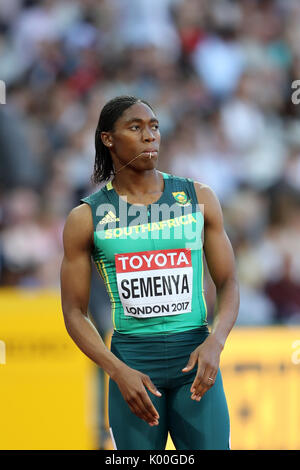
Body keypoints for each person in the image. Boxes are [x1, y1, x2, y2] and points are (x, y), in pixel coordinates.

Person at [60, 95, 240, 450]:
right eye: (136, 127)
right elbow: (73, 313)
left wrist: (215, 342)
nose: (150, 136)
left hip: (194, 358)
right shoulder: (86, 217)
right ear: (107, 138)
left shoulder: (198, 197)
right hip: (132, 365)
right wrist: (115, 370)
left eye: (154, 127)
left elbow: (229, 281)